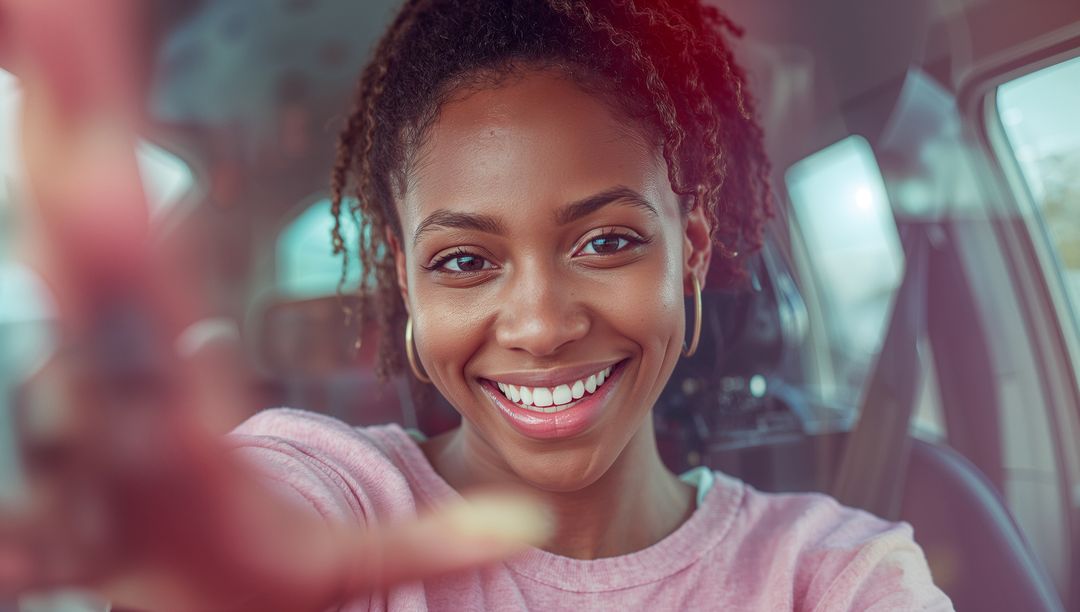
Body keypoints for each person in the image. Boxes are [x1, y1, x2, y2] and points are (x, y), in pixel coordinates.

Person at [0, 0, 954, 610]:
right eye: (465, 259)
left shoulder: (837, 575)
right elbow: (268, 511)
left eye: (607, 241)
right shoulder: (342, 499)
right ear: (407, 288)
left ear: (691, 250)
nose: (540, 325)